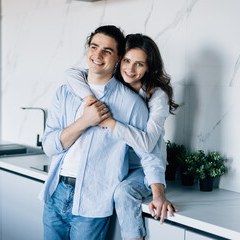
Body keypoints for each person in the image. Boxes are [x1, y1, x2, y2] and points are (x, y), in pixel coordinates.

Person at [41, 26, 162, 240]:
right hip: (56, 192)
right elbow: (50, 147)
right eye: (94, 47)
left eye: (107, 50)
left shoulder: (132, 104)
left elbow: (148, 154)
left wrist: (158, 194)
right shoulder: (65, 92)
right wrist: (85, 121)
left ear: (118, 58)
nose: (97, 55)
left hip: (94, 200)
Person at [65, 33, 179, 240]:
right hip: (119, 163)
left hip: (143, 169)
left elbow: (147, 144)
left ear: (149, 68)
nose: (130, 69)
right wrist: (90, 101)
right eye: (126, 61)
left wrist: (158, 194)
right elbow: (71, 74)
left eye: (139, 64)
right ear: (118, 60)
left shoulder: (156, 96)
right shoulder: (115, 85)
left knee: (123, 193)